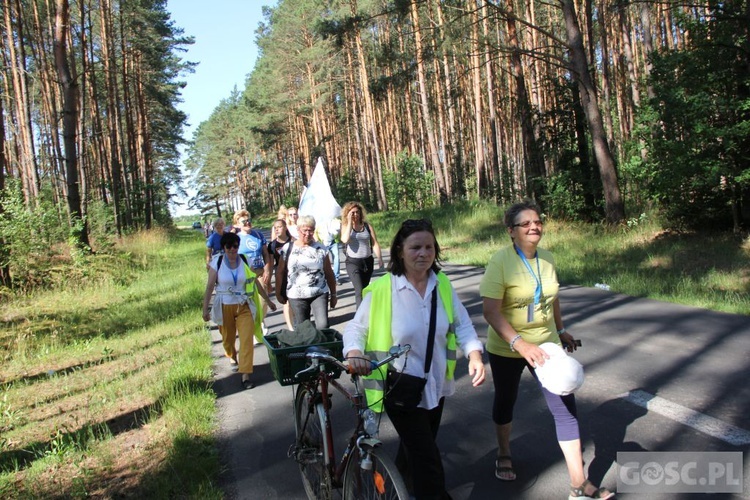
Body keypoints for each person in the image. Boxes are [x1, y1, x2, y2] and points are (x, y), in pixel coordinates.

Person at [479, 200, 614, 499]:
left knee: (565, 406)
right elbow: (490, 311)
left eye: (537, 222)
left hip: (546, 342)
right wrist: (519, 343)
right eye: (525, 223)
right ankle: (503, 452)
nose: (534, 227)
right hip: (507, 345)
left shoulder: (548, 258)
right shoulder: (500, 261)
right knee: (506, 399)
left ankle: (578, 483)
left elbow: (551, 298)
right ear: (511, 231)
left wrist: (562, 330)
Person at [344, 218, 485, 499]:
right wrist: (354, 352)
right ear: (400, 251)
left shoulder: (441, 284)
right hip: (400, 386)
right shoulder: (385, 289)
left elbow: (462, 323)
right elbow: (356, 327)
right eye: (415, 247)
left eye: (429, 247)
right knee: (427, 458)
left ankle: (396, 491)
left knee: (416, 449)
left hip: (435, 384)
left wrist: (475, 354)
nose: (423, 253)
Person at [202, 232, 276, 389]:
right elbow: (209, 287)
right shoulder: (217, 262)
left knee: (246, 339)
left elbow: (254, 282)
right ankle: (231, 355)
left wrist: (268, 301)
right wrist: (205, 309)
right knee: (228, 339)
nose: (232, 249)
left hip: (244, 305)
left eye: (235, 246)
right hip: (225, 305)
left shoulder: (244, 260)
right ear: (223, 247)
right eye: (229, 246)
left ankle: (245, 374)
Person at [275, 215, 337, 329]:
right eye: (305, 230)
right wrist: (278, 292)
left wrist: (333, 294)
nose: (308, 234)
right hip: (296, 295)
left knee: (323, 325)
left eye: (311, 230)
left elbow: (329, 272)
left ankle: (323, 347)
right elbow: (280, 272)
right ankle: (306, 347)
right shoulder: (288, 248)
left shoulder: (321, 249)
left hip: (319, 292)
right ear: (298, 230)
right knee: (303, 329)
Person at [340, 201, 384, 308]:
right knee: (359, 290)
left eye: (357, 212)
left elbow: (374, 243)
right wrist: (350, 222)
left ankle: (366, 313)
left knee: (365, 289)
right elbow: (345, 239)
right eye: (352, 213)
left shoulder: (367, 226)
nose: (355, 215)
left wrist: (380, 258)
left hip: (367, 261)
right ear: (348, 214)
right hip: (353, 262)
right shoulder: (346, 226)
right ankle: (359, 318)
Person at [236, 211, 273, 335]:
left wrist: (267, 269)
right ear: (237, 224)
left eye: (248, 220)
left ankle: (261, 321)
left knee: (263, 300)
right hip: (245, 275)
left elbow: (265, 254)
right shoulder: (236, 238)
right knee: (248, 302)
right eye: (244, 221)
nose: (247, 223)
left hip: (260, 271)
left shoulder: (258, 235)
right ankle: (252, 326)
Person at [268, 218, 295, 330]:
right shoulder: (272, 245)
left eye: (279, 227)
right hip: (281, 276)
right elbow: (270, 264)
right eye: (275, 228)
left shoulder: (293, 241)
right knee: (286, 301)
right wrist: (268, 281)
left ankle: (297, 322)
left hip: (295, 274)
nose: (277, 229)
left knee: (296, 300)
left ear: (285, 228)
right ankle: (291, 327)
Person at [316, 216, 342, 284]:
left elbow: (338, 230)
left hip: (333, 241)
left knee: (336, 258)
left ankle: (336, 278)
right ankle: (325, 277)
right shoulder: (319, 219)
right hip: (323, 242)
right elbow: (316, 231)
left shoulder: (334, 219)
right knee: (324, 261)